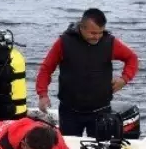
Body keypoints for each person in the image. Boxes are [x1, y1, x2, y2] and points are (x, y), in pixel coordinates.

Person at [35, 8, 139, 137]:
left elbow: (132, 58)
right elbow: (46, 69)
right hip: (69, 111)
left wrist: (124, 79)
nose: (97, 37)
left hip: (100, 110)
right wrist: (42, 94)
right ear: (82, 27)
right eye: (93, 33)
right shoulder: (64, 42)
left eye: (100, 32)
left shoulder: (110, 42)